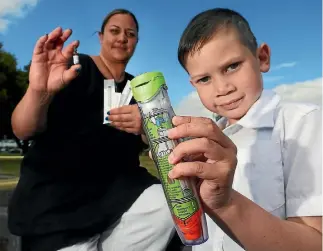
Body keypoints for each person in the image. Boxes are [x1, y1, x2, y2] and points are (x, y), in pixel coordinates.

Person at [8, 9, 175, 251]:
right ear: (100, 36)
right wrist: (39, 91)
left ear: (137, 41)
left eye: (130, 34)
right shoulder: (74, 68)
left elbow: (163, 144)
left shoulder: (140, 89)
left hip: (119, 195)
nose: (122, 38)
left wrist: (146, 125)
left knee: (166, 202)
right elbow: (23, 130)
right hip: (59, 204)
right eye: (114, 31)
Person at [162, 8, 322, 251]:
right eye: (204, 79)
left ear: (262, 58)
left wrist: (225, 205)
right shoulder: (207, 138)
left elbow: (315, 243)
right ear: (192, 83)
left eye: (232, 66)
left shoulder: (303, 123)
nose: (222, 88)